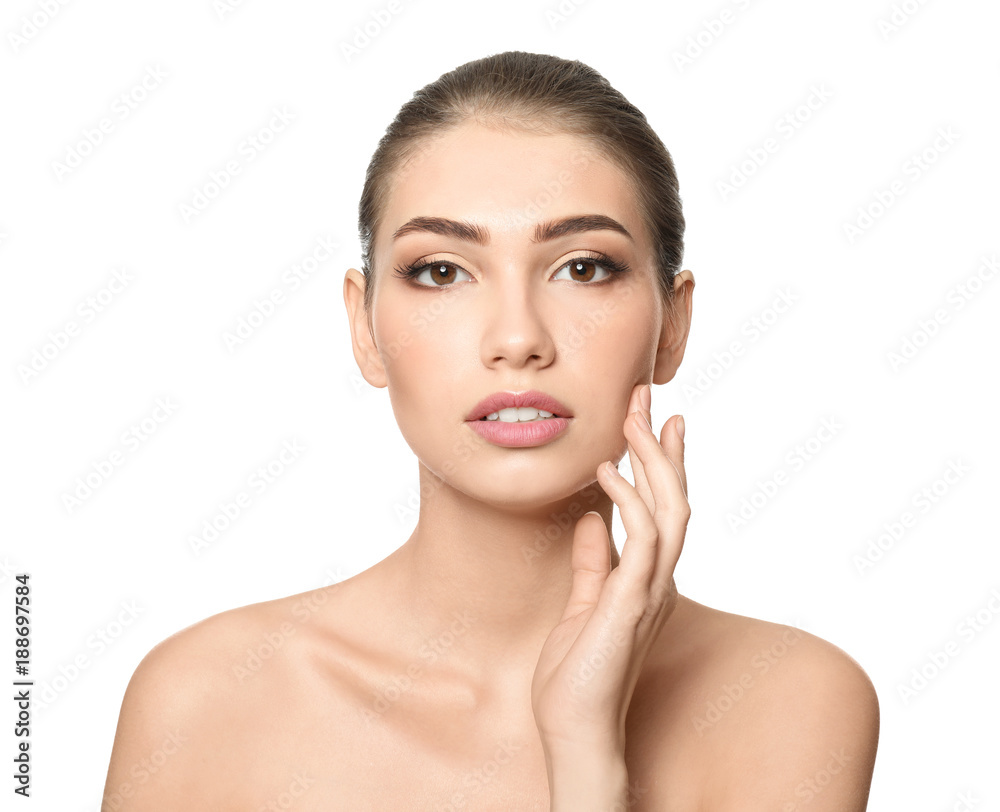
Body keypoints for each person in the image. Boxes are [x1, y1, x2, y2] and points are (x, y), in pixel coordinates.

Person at [101, 50, 879, 810]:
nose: (516, 338)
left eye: (582, 267)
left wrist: (584, 752)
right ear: (364, 328)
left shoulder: (793, 702)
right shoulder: (205, 702)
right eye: (441, 270)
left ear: (672, 326)